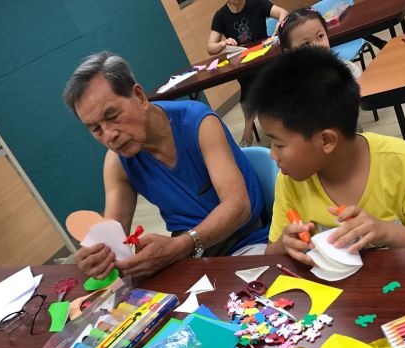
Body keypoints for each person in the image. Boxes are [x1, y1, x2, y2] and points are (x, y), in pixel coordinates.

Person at [244, 48, 405, 266]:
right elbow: (271, 252)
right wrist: (284, 245)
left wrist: (387, 232)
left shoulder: (404, 164)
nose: (272, 155)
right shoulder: (290, 178)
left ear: (327, 141)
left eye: (279, 144)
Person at [62, 52, 269, 279]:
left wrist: (181, 246)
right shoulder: (117, 162)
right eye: (95, 129)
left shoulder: (198, 124)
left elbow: (238, 206)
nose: (109, 135)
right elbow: (112, 232)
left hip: (246, 244)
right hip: (190, 256)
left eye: (113, 116)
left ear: (139, 96)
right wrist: (98, 255)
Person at [208, 0, 288, 147]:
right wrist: (222, 44)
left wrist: (281, 22)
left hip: (265, 59)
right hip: (244, 64)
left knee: (263, 85)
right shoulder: (220, 15)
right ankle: (253, 127)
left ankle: (252, 128)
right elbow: (211, 47)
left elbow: (283, 12)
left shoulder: (257, 3)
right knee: (248, 85)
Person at [277, 7, 361, 79]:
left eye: (320, 36)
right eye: (306, 44)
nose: (318, 46)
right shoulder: (293, 85)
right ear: (289, 52)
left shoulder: (345, 68)